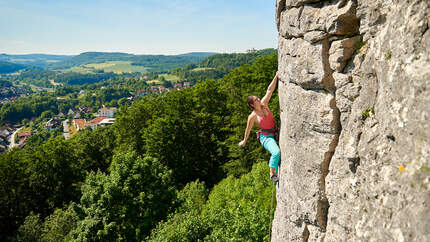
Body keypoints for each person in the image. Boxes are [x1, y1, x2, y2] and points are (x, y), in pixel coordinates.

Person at [238, 72, 280, 183]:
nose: (258, 100)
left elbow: (269, 90)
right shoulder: (252, 117)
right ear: (252, 105)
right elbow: (248, 129)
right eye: (256, 100)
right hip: (266, 137)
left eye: (257, 98)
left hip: (275, 131)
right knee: (276, 152)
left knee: (278, 152)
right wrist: (244, 140)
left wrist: (276, 76)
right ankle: (272, 173)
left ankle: (274, 170)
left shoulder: (264, 104)